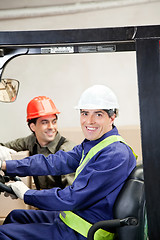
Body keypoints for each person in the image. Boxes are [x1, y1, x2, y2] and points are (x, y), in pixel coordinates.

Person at [0, 85, 137, 240]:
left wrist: (27, 194)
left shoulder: (115, 154)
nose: (89, 121)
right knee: (17, 216)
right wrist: (6, 166)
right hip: (73, 217)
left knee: (2, 233)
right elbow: (54, 162)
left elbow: (72, 197)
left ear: (112, 117)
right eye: (85, 113)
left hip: (84, 231)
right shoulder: (94, 145)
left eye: (98, 114)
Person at [0, 96, 75, 189]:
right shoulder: (31, 141)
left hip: (60, 201)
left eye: (54, 122)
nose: (51, 127)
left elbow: (72, 194)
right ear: (33, 127)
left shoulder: (67, 151)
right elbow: (5, 146)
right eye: (45, 122)